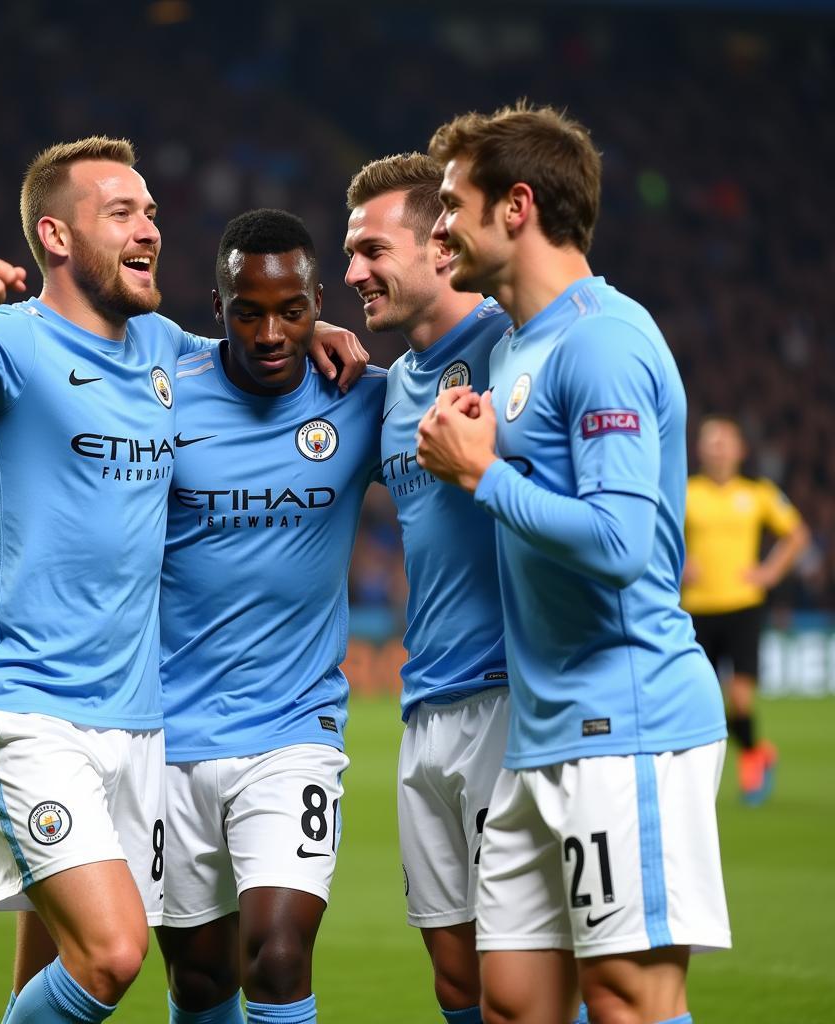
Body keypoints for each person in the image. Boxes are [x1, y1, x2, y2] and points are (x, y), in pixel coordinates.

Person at [0, 208, 386, 1024]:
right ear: (215, 305)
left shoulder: (359, 398)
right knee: (198, 981)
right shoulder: (162, 393)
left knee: (279, 953)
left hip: (294, 728)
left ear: (318, 302)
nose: (270, 333)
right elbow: (75, 489)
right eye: (249, 311)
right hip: (164, 732)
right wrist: (1, 554)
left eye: (292, 311)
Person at [415, 103, 730, 1024]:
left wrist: (484, 476)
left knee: (628, 998)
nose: (438, 227)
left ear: (516, 207)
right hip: (543, 732)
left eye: (449, 202)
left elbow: (625, 545)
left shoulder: (603, 339)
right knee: (512, 1000)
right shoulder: (520, 344)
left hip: (626, 719)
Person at [0, 135, 184, 1024]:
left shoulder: (169, 348)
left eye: (152, 212)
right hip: (25, 701)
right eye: (121, 212)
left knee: (49, 972)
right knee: (114, 953)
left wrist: (313, 325)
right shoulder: (6, 342)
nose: (149, 229)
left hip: (134, 718)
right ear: (56, 236)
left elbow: (260, 371)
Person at [344, 153, 514, 1024]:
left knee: (527, 982)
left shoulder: (512, 343)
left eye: (372, 250)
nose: (351, 274)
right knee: (455, 980)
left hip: (512, 704)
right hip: (425, 709)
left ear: (441, 248)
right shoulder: (385, 392)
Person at [682, 415, 809, 804]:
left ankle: (752, 758)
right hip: (696, 608)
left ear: (740, 450)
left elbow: (796, 534)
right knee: (700, 698)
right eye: (710, 441)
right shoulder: (685, 491)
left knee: (740, 697)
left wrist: (769, 572)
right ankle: (753, 751)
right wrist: (679, 562)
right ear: (699, 450)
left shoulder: (758, 494)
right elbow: (655, 535)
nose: (717, 448)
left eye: (724, 441)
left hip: (743, 606)